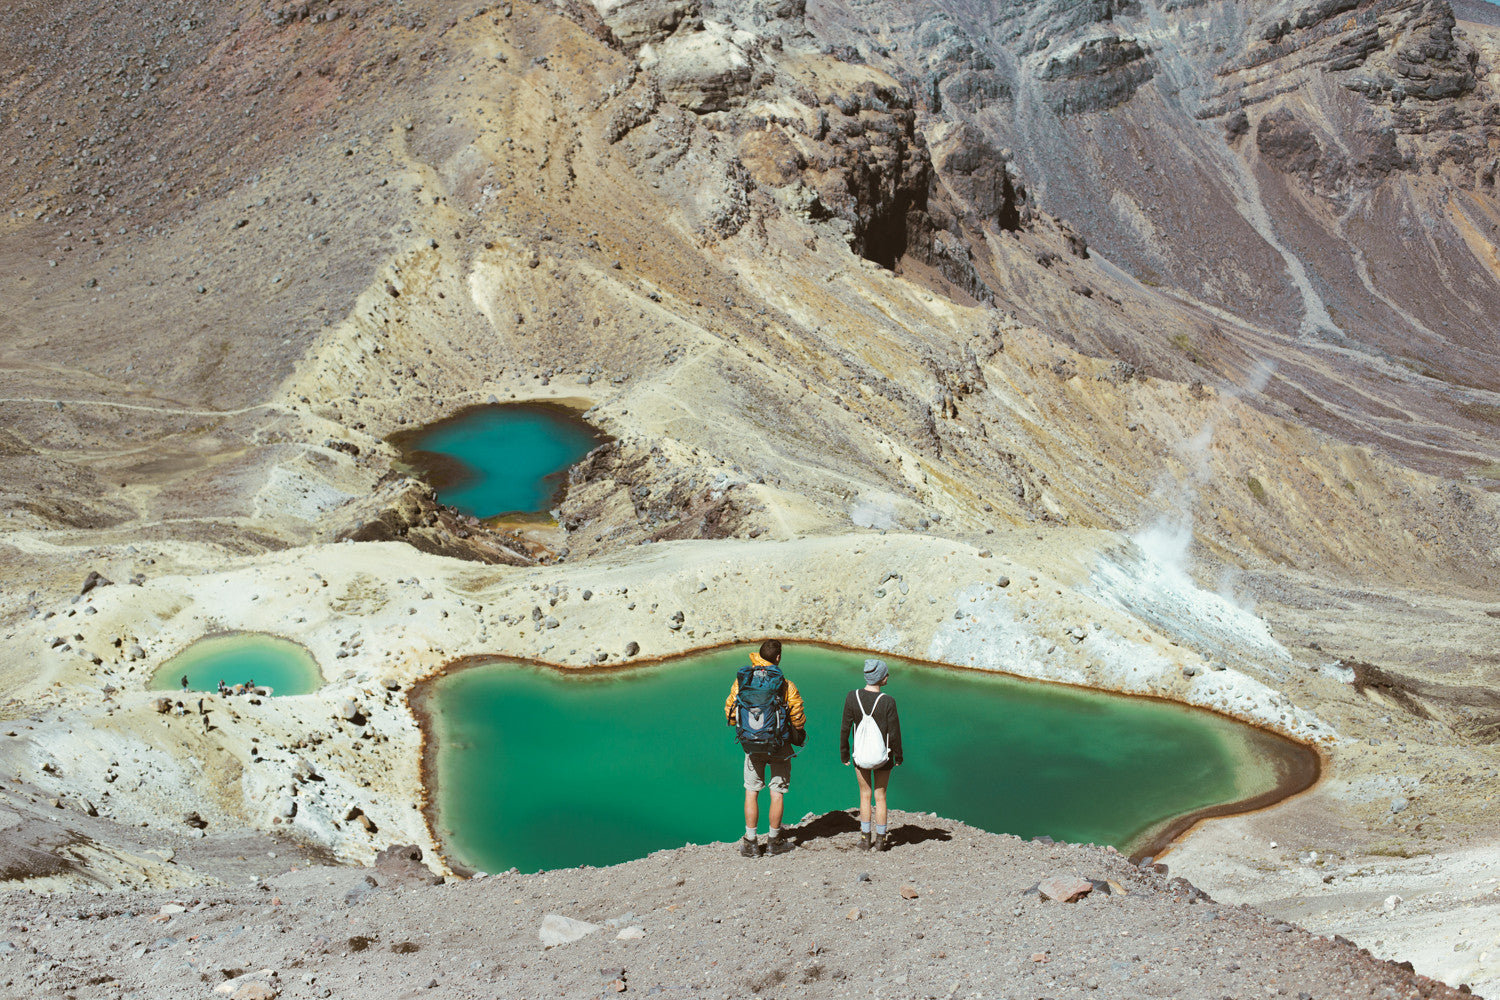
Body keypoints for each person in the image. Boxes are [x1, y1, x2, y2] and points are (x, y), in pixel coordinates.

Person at [725, 639, 805, 857]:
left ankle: (751, 842)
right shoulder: (785, 684)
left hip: (751, 746)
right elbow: (797, 716)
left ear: (757, 655)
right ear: (778, 657)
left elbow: (730, 712)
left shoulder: (743, 680)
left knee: (752, 791)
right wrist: (798, 731)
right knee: (776, 792)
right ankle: (773, 841)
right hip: (779, 744)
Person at [840, 657, 903, 851]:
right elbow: (894, 732)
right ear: (881, 678)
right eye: (886, 674)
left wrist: (844, 753)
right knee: (881, 796)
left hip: (861, 755)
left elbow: (845, 728)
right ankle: (881, 840)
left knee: (864, 795)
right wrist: (898, 756)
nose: (888, 676)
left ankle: (865, 839)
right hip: (883, 757)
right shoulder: (888, 701)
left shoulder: (853, 696)